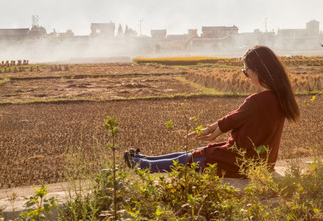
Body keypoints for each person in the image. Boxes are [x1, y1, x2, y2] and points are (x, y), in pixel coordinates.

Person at [123, 45, 300, 178]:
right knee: (195, 153)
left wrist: (213, 132)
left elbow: (232, 120)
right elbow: (234, 119)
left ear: (257, 71)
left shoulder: (257, 101)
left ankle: (142, 164)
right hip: (261, 161)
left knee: (194, 158)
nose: (246, 76)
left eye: (246, 72)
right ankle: (144, 158)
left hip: (237, 163)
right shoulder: (281, 99)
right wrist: (212, 130)